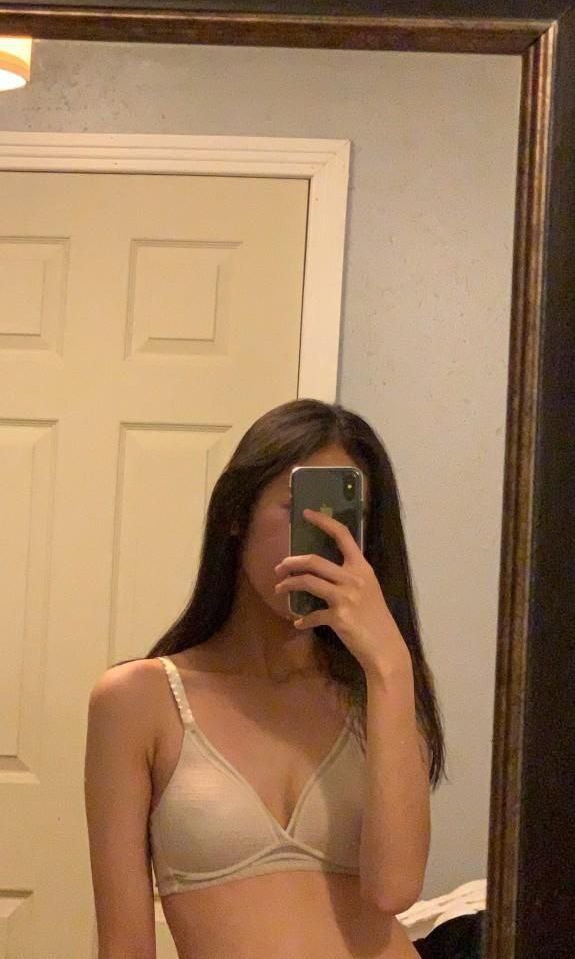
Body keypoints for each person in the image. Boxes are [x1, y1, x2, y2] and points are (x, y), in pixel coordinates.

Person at [84, 397, 450, 959]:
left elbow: (394, 889)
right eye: (301, 512)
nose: (325, 543)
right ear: (237, 513)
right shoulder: (139, 701)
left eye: (347, 521)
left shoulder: (379, 691)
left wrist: (391, 666)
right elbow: (125, 945)